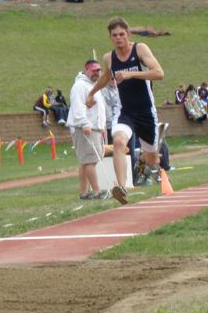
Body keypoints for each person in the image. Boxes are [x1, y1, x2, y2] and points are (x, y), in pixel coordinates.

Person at [86, 17, 164, 204]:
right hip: (125, 111)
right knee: (119, 141)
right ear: (110, 37)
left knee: (152, 157)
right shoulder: (109, 58)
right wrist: (91, 93)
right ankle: (121, 187)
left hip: (146, 111)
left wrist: (132, 74)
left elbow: (159, 73)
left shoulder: (140, 49)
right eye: (115, 35)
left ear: (128, 35)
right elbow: (106, 77)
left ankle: (152, 167)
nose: (119, 38)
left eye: (122, 34)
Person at [68, 60, 109, 200]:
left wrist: (102, 126)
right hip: (85, 128)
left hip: (94, 127)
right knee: (90, 160)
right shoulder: (79, 86)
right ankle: (97, 191)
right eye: (93, 70)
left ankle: (85, 192)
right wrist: (85, 124)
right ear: (86, 69)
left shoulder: (94, 86)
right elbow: (77, 107)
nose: (96, 73)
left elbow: (100, 109)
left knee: (85, 160)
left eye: (98, 70)